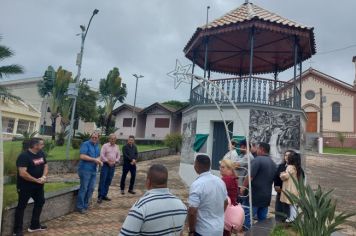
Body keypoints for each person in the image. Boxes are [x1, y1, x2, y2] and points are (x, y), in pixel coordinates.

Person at [119, 164, 187, 236]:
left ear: (148, 182)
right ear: (166, 182)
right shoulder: (182, 206)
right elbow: (180, 233)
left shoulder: (141, 207)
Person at [13, 138, 48, 235]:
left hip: (38, 185)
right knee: (21, 206)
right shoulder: (24, 156)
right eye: (41, 144)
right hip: (25, 186)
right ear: (35, 145)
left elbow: (45, 165)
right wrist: (35, 180)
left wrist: (44, 176)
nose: (43, 146)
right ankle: (17, 230)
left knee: (40, 201)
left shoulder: (41, 153)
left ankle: (34, 225)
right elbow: (23, 173)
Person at [188, 154, 228, 236]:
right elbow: (226, 202)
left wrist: (191, 230)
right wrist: (217, 215)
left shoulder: (197, 185)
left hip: (202, 231)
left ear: (197, 165)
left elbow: (192, 212)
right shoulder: (220, 181)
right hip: (219, 229)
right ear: (209, 166)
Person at [241, 142, 277, 230]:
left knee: (247, 217)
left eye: (257, 148)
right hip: (266, 196)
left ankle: (247, 233)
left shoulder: (257, 160)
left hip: (254, 196)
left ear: (261, 149)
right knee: (262, 220)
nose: (256, 150)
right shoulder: (273, 163)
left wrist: (243, 187)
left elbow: (250, 177)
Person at [76, 132, 103, 214]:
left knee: (91, 188)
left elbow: (99, 156)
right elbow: (82, 156)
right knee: (84, 188)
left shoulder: (97, 146)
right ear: (90, 137)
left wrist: (98, 160)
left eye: (96, 137)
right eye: (92, 137)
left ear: (98, 138)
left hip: (93, 170)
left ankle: (85, 204)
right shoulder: (85, 144)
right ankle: (80, 207)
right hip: (85, 170)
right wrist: (94, 160)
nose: (94, 138)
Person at [280, 151, 303, 222]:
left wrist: (282, 174)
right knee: (293, 204)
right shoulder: (297, 167)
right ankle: (294, 217)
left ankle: (292, 218)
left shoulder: (290, 167)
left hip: (290, 189)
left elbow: (285, 176)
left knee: (291, 204)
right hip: (295, 188)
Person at [97, 133, 120, 203]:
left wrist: (115, 161)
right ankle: (100, 196)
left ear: (116, 140)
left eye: (114, 139)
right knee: (103, 180)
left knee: (108, 180)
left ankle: (104, 195)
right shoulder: (105, 146)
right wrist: (108, 161)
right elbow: (102, 155)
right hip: (105, 165)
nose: (113, 140)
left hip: (112, 166)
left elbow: (118, 156)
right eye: (111, 139)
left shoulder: (117, 146)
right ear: (109, 139)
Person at [220, 159, 238, 236]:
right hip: (230, 208)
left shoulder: (227, 179)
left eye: (223, 167)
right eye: (220, 167)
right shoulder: (232, 178)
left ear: (229, 169)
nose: (220, 169)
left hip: (226, 209)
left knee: (224, 231)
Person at [274, 150, 292, 222]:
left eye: (289, 155)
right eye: (285, 155)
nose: (286, 157)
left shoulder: (296, 168)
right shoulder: (281, 166)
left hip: (291, 194)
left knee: (289, 211)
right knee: (279, 210)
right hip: (280, 192)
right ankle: (278, 224)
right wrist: (277, 187)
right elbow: (276, 177)